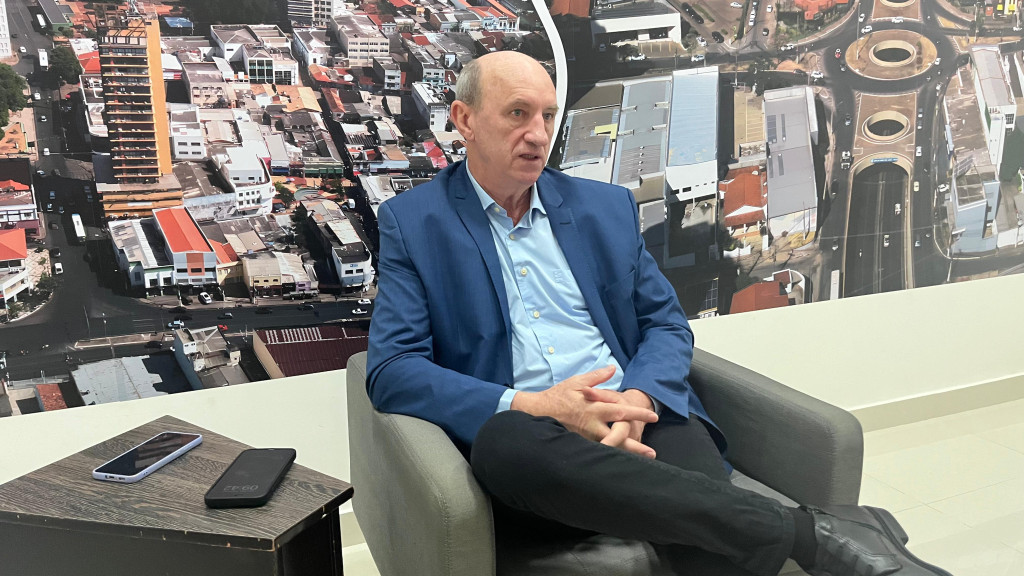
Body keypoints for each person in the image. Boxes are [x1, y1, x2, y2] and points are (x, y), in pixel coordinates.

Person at [367, 51, 950, 576]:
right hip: (534, 441)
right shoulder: (415, 224)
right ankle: (811, 533)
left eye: (547, 115)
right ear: (464, 120)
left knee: (711, 542)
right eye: (517, 114)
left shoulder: (603, 208)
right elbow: (392, 370)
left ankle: (792, 534)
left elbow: (666, 324)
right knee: (504, 445)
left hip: (639, 413)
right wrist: (538, 406)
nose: (537, 135)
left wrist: (638, 399)